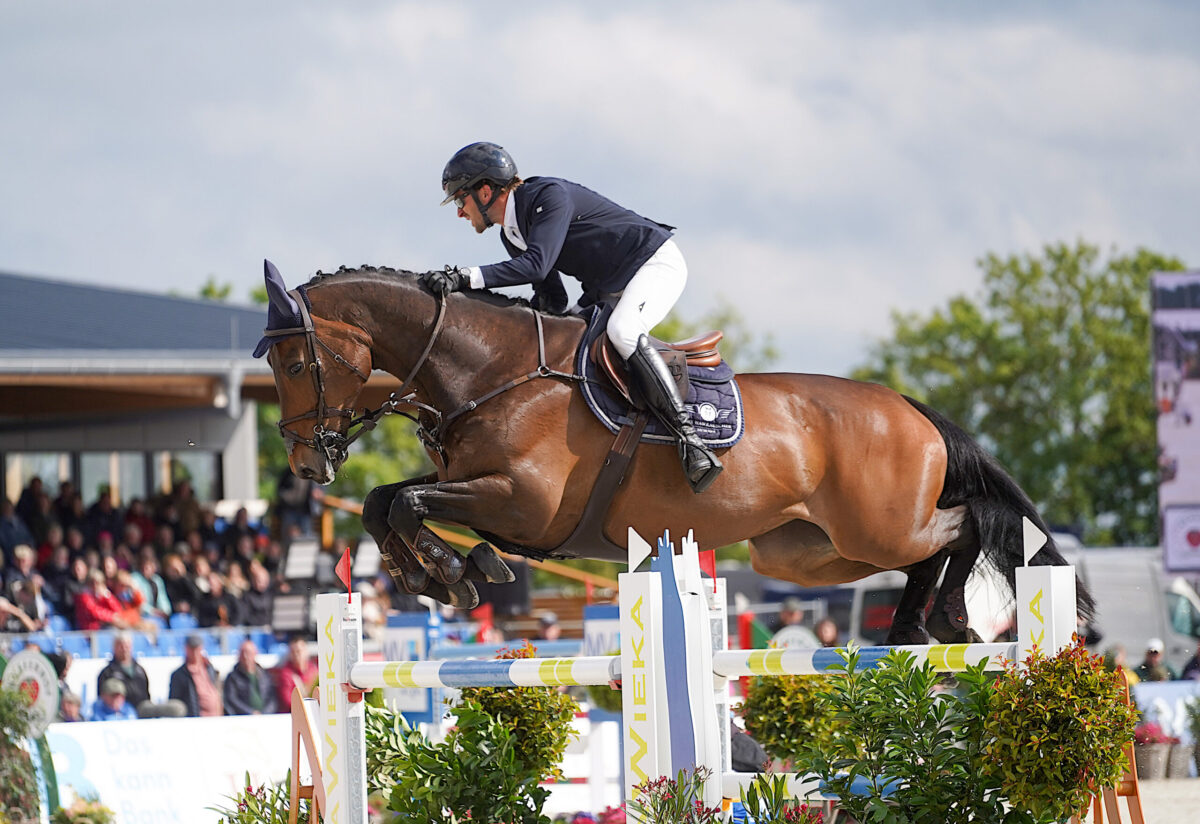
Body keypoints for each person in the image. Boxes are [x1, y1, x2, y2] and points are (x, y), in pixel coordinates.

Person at [428, 141, 721, 493]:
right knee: (565, 346)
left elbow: (536, 265)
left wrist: (463, 276)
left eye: (461, 200)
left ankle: (691, 440)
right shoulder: (513, 233)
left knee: (624, 331)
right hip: (610, 286)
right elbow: (553, 297)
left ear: (486, 191)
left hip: (653, 264)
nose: (460, 212)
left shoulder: (546, 196)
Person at [168, 635, 223, 717]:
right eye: (191, 649)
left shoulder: (210, 669)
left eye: (197, 648)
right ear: (186, 649)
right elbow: (175, 703)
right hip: (195, 721)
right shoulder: (179, 675)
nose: (194, 652)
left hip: (216, 717)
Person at [96, 631, 152, 711]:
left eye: (127, 646)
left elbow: (147, 695)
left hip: (141, 713)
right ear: (114, 647)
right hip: (119, 716)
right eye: (121, 646)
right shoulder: (107, 673)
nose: (124, 649)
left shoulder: (140, 670)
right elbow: (101, 700)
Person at [224, 639, 278, 715]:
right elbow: (232, 700)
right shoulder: (233, 677)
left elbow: (272, 698)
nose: (245, 656)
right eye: (242, 653)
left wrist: (265, 713)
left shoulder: (264, 675)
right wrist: (251, 712)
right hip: (243, 719)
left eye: (248, 653)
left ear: (255, 654)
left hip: (266, 718)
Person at [273, 634, 319, 709]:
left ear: (306, 652)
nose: (296, 655)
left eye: (299, 651)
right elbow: (287, 701)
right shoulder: (286, 674)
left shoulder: (314, 671)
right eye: (293, 652)